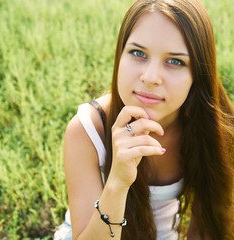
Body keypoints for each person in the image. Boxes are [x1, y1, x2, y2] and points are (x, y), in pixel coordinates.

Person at [54, 0, 234, 239]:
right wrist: (118, 181)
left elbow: (209, 224)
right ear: (120, 55)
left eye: (175, 61)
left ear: (197, 75)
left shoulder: (215, 125)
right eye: (138, 53)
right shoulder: (87, 130)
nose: (150, 78)